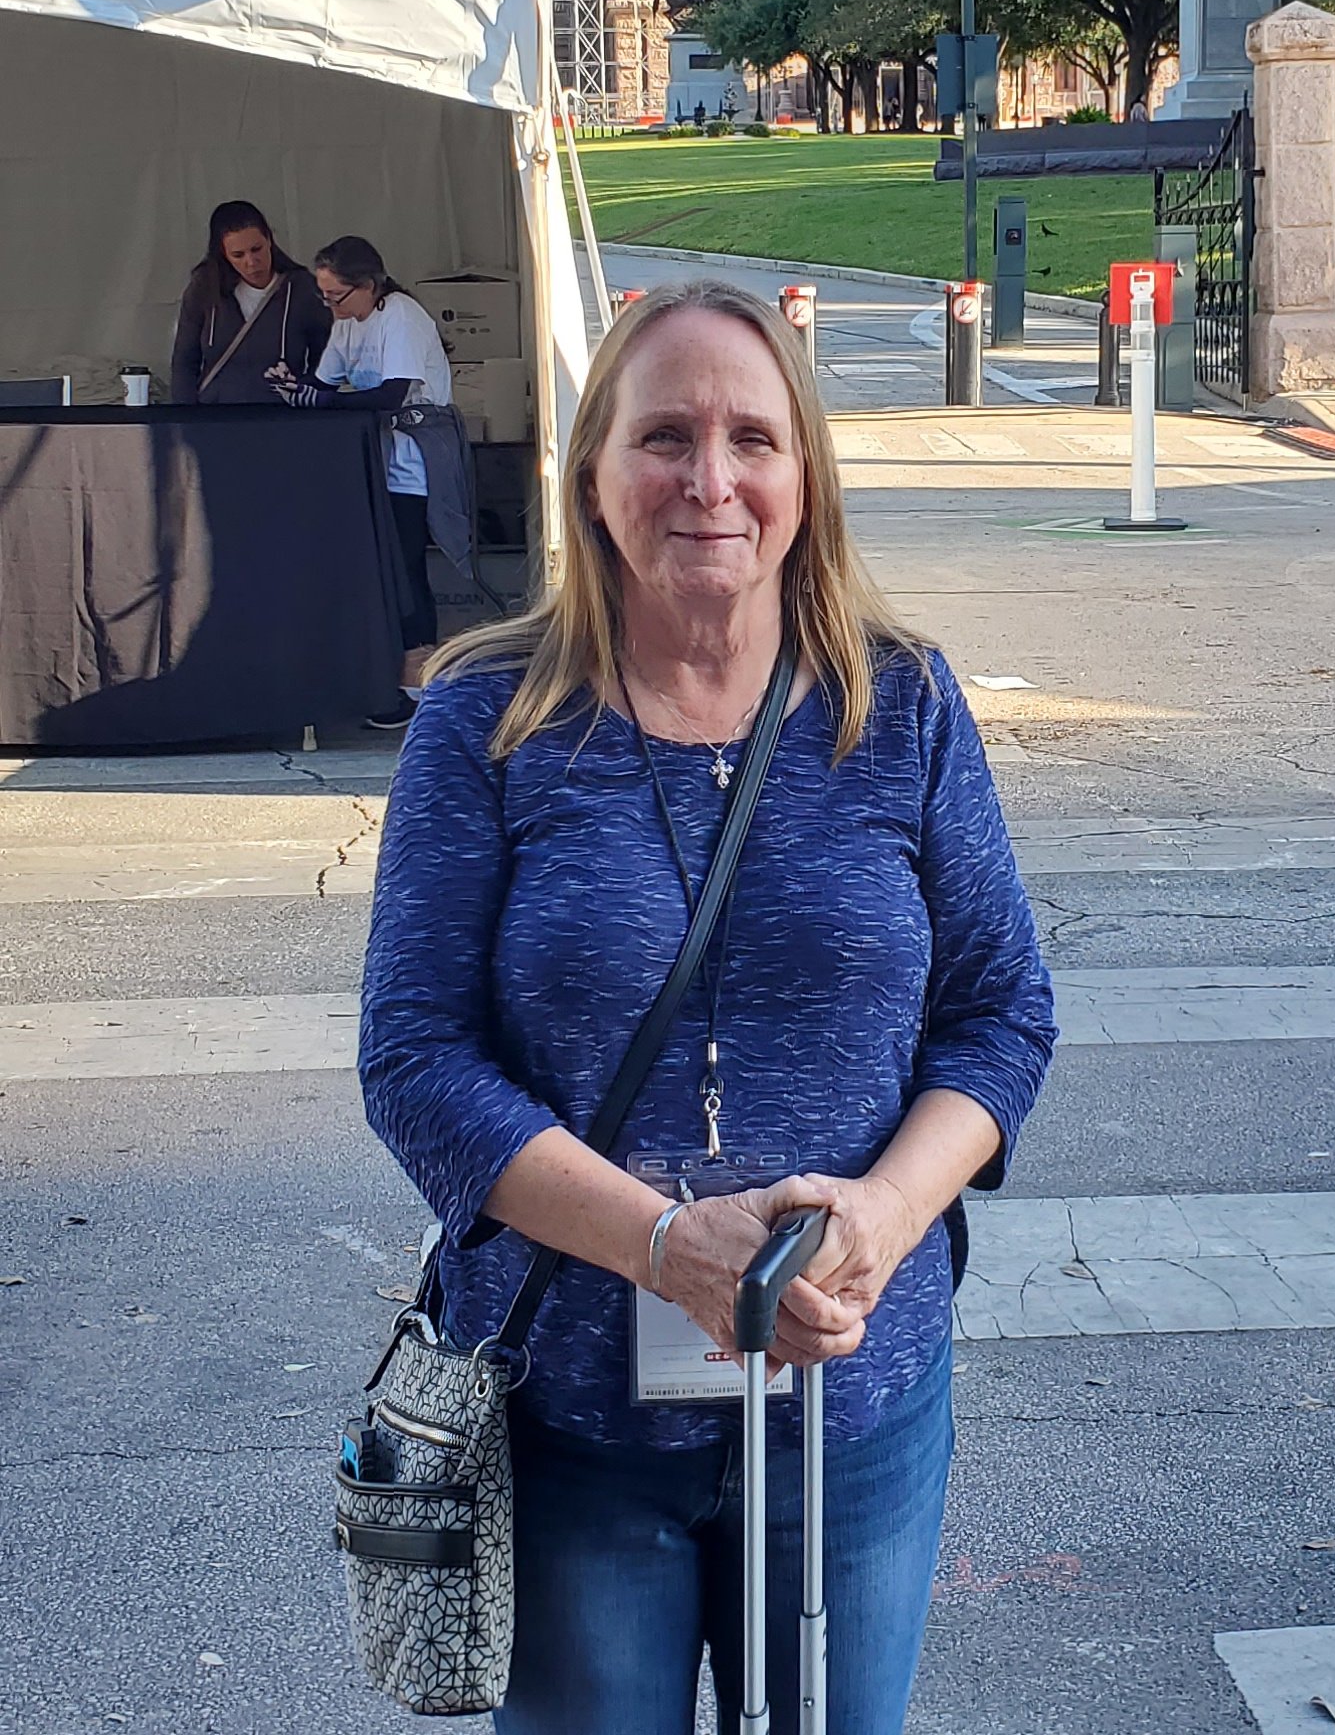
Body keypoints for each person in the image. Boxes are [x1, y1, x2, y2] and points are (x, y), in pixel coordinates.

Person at [358, 281, 1056, 1735]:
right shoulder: (485, 721)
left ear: (807, 476)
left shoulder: (904, 705)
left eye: (754, 436)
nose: (711, 478)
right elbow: (416, 1061)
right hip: (572, 1421)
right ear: (594, 475)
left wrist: (878, 1219)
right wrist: (666, 1246)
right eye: (664, 434)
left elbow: (1001, 1017)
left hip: (851, 1411)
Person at [270, 236, 453, 723]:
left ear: (368, 286)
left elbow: (392, 393)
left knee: (406, 568)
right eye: (324, 296)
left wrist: (325, 401)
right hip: (374, 461)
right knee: (377, 570)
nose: (330, 305)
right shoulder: (348, 322)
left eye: (337, 296)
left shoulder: (402, 317)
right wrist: (292, 385)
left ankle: (418, 687)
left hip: (415, 462)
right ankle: (384, 677)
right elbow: (324, 383)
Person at [168, 200, 331, 405]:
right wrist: (186, 418)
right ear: (223, 254)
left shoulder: (302, 287)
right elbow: (184, 360)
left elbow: (325, 357)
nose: (251, 262)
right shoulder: (205, 288)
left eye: (257, 249)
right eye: (238, 255)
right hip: (216, 416)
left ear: (269, 240)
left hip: (283, 417)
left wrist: (304, 393)